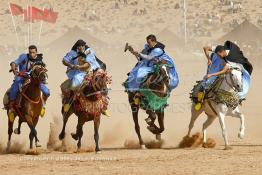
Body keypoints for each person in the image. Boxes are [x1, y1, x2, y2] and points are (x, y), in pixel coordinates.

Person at [61, 39, 110, 116]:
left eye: (82, 46)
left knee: (104, 82)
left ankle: (104, 107)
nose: (81, 47)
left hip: (93, 70)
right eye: (79, 46)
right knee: (74, 85)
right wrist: (70, 65)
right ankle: (69, 101)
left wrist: (78, 66)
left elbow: (88, 64)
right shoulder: (72, 53)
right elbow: (64, 60)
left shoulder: (88, 51)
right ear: (77, 47)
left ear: (84, 46)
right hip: (79, 73)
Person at [125, 34, 179, 99]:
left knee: (165, 75)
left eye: (149, 42)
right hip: (152, 63)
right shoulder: (148, 48)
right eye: (147, 42)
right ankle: (137, 90)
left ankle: (166, 90)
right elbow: (142, 56)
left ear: (153, 41)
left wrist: (139, 54)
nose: (148, 44)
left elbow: (149, 57)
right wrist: (133, 52)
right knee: (137, 70)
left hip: (161, 63)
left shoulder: (158, 50)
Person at [8, 45, 50, 117]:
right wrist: (14, 69)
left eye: (33, 52)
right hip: (22, 77)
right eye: (30, 52)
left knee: (46, 92)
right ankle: (11, 107)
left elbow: (42, 70)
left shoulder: (39, 60)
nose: (31, 54)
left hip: (34, 80)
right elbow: (14, 63)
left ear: (36, 52)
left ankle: (42, 105)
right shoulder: (23, 57)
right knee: (15, 88)